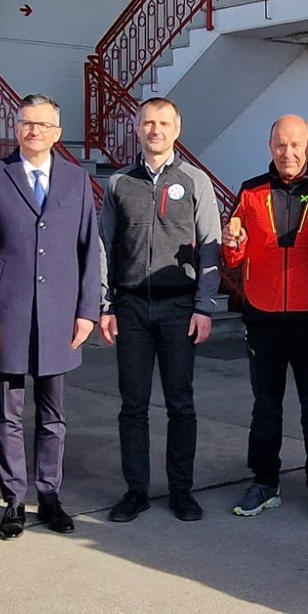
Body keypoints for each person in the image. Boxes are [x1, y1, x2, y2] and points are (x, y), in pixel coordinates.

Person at [0, 95, 104, 539]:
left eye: (44, 125)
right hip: (6, 314)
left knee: (52, 415)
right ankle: (13, 499)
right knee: (7, 415)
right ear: (16, 128)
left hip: (60, 317)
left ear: (57, 133)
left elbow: (89, 249)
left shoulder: (76, 180)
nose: (35, 131)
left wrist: (87, 310)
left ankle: (49, 495)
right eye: (27, 123)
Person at [222, 116, 308, 525]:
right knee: (265, 405)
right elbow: (235, 255)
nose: (288, 153)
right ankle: (265, 482)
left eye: (296, 145)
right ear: (270, 146)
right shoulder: (250, 191)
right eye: (280, 145)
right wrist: (232, 246)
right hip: (262, 316)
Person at [99, 97, 224, 522]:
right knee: (132, 405)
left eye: (164, 123)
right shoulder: (119, 182)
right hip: (131, 308)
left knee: (180, 405)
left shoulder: (195, 180)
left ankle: (181, 491)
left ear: (177, 129)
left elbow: (210, 247)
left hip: (179, 309)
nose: (156, 130)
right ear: (137, 128)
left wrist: (204, 306)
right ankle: (135, 491)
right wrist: (105, 304)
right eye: (148, 123)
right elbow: (103, 246)